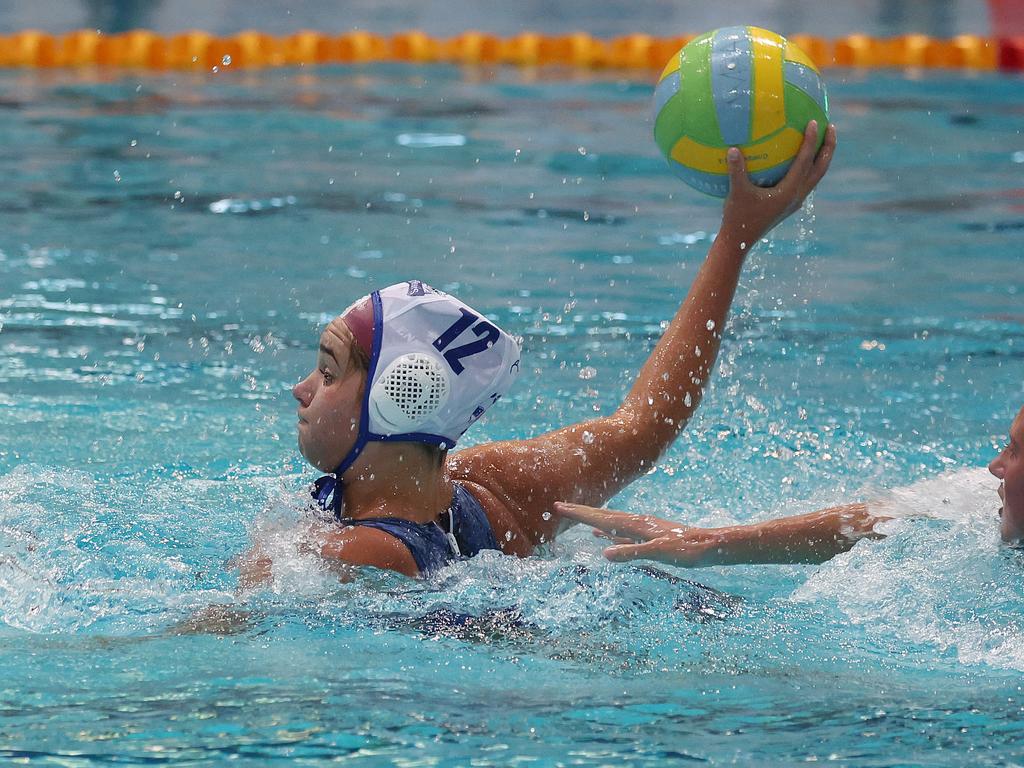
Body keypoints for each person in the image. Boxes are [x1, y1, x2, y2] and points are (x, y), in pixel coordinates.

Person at [236, 121, 838, 584]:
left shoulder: (351, 552)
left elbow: (234, 618)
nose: (301, 388)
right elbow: (644, 426)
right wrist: (735, 240)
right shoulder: (488, 486)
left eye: (328, 369)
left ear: (399, 396)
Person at [554, 405, 1024, 567]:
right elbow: (874, 522)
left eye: (1016, 451)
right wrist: (710, 542)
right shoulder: (979, 499)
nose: (994, 467)